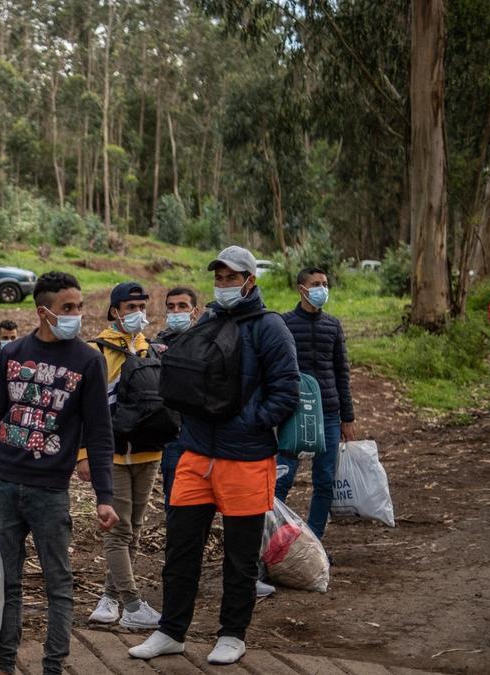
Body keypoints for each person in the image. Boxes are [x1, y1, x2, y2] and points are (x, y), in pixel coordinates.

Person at [130, 246, 299, 666]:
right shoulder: (205, 322)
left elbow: (287, 391)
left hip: (245, 457)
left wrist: (251, 422)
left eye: (231, 277)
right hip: (196, 452)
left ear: (250, 281)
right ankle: (171, 630)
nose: (223, 284)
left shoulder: (269, 328)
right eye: (219, 278)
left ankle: (232, 633)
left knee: (240, 555)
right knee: (181, 548)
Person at [0, 271, 119, 675]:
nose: (76, 315)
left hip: (50, 491)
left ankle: (53, 666)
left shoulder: (88, 360)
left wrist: (104, 496)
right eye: (68, 308)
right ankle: (4, 664)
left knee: (58, 585)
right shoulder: (13, 353)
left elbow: (100, 434)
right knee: (6, 584)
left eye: (80, 307)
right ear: (43, 311)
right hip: (2, 486)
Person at [86, 281, 165, 631]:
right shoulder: (96, 352)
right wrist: (83, 454)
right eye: (130, 307)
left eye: (142, 307)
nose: (138, 314)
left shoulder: (151, 350)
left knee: (132, 529)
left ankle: (110, 599)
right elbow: (83, 409)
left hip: (149, 453)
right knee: (118, 532)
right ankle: (132, 604)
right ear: (115, 311)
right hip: (112, 456)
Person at [276, 267, 357, 543]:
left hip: (330, 413)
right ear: (302, 288)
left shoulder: (333, 325)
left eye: (325, 283)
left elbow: (341, 371)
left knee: (324, 481)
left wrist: (348, 417)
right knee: (282, 479)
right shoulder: (283, 323)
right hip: (293, 412)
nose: (322, 288)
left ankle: (313, 543)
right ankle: (273, 540)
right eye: (316, 284)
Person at [151, 287, 202, 505]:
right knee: (173, 494)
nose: (176, 311)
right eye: (171, 307)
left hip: (201, 434)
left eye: (182, 306)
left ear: (194, 311)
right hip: (172, 434)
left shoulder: (206, 344)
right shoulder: (156, 347)